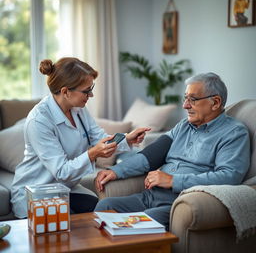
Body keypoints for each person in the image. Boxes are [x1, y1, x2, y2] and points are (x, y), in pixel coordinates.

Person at [94, 72, 250, 229]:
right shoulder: (183, 126)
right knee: (105, 206)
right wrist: (116, 171)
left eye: (193, 99)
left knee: (140, 224)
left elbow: (229, 176)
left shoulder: (233, 132)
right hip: (150, 196)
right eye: (185, 98)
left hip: (179, 203)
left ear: (215, 102)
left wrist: (173, 180)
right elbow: (151, 155)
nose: (185, 105)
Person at [11, 57, 150, 219]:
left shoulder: (78, 109)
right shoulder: (39, 120)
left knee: (101, 213)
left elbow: (100, 138)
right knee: (67, 228)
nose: (90, 94)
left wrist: (127, 139)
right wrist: (92, 154)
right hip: (36, 192)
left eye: (91, 88)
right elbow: (62, 171)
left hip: (65, 189)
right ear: (65, 92)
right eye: (86, 90)